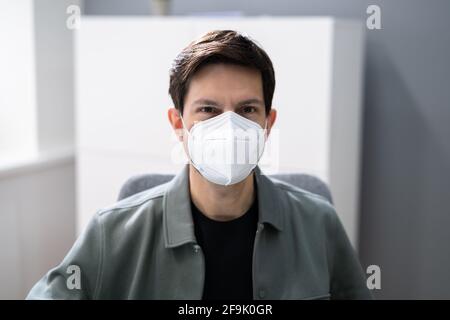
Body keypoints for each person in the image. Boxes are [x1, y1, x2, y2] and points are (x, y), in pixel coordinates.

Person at [27, 30, 372, 300]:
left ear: (268, 124)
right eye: (208, 110)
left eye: (248, 109)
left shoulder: (319, 223)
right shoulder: (112, 232)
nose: (230, 126)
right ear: (178, 125)